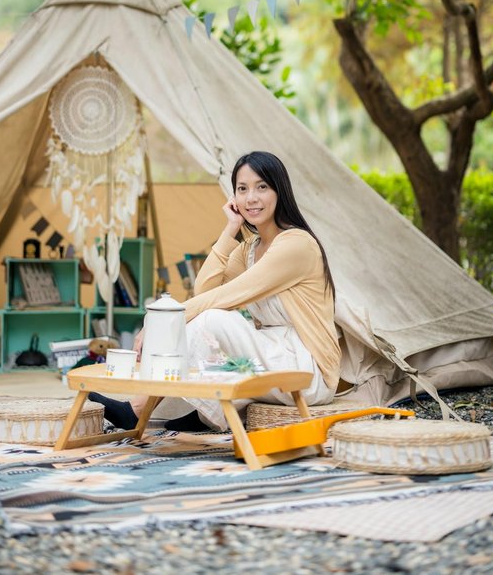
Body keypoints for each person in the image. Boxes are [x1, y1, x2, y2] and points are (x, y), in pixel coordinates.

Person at [89, 150, 341, 431]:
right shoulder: (250, 248)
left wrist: (162, 322)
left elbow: (223, 298)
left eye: (262, 187)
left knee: (212, 321)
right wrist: (230, 229)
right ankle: (203, 415)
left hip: (306, 369)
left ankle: (137, 408)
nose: (251, 198)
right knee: (207, 321)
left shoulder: (297, 244)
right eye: (242, 189)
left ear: (279, 191)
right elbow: (204, 289)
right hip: (271, 355)